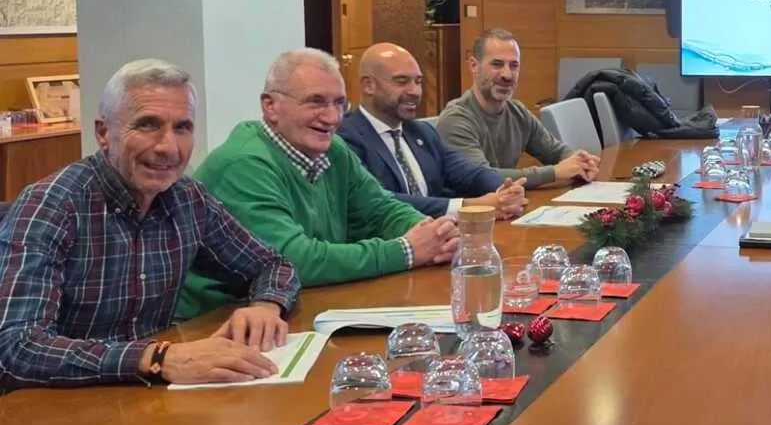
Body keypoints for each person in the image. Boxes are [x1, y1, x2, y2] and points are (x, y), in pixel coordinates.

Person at [0, 60, 300, 390]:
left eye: (182, 128)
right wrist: (155, 358)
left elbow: (273, 265)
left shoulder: (187, 198)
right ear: (103, 133)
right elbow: (17, 348)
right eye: (147, 125)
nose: (168, 147)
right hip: (56, 405)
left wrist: (266, 306)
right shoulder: (52, 205)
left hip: (151, 398)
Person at [176, 49, 459, 319]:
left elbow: (381, 210)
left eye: (339, 103)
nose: (332, 118)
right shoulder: (243, 164)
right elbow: (294, 261)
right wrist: (406, 251)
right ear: (270, 106)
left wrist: (434, 234)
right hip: (218, 322)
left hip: (304, 306)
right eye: (316, 102)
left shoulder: (333, 150)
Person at [339, 43, 527, 218]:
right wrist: (468, 206)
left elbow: (469, 172)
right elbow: (379, 201)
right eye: (402, 81)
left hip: (442, 236)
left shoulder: (421, 132)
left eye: (418, 81)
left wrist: (505, 190)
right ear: (369, 85)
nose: (415, 91)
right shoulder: (346, 139)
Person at [438, 28, 600, 188]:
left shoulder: (517, 112)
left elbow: (555, 151)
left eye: (514, 66)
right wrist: (554, 172)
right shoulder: (456, 119)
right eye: (497, 64)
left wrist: (580, 162)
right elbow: (483, 179)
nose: (507, 75)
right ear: (474, 65)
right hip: (471, 204)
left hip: (510, 201)